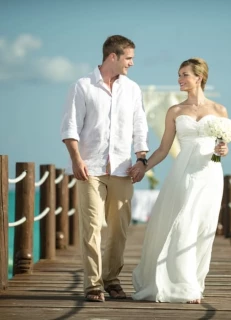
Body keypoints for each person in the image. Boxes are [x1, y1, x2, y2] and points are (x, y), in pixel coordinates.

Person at [129, 57, 229, 304]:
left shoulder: (219, 110)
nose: (180, 79)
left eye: (185, 75)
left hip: (210, 174)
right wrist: (143, 167)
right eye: (179, 75)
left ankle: (194, 281)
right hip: (183, 173)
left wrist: (224, 149)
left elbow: (221, 145)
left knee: (203, 228)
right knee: (183, 224)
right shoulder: (175, 111)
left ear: (199, 77)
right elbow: (163, 149)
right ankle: (182, 285)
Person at [60, 35, 149, 302]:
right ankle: (93, 285)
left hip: (122, 168)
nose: (132, 63)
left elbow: (139, 126)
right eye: (129, 58)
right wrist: (76, 159)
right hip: (90, 168)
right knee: (93, 226)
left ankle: (112, 280)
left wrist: (142, 159)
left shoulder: (132, 89)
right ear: (113, 56)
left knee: (119, 229)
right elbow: (70, 126)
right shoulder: (82, 86)